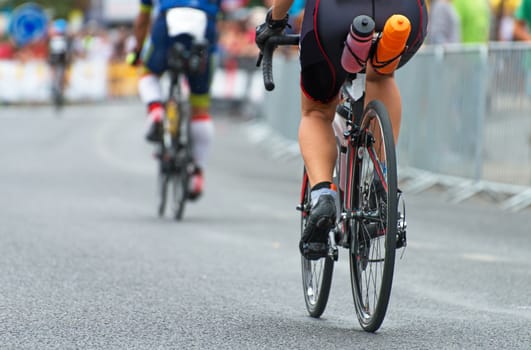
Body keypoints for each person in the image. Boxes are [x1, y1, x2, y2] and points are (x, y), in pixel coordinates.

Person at [256, 0, 428, 258]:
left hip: (332, 17)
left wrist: (274, 22)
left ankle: (323, 196)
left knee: (316, 111)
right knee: (381, 75)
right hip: (404, 13)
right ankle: (382, 182)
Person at [129, 0, 222, 199]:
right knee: (200, 107)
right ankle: (197, 173)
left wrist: (137, 51)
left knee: (148, 75)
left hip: (167, 22)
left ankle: (155, 111)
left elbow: (143, 19)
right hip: (204, 25)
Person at [47, 19, 72, 101]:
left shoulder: (64, 39)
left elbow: (66, 52)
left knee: (60, 75)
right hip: (55, 60)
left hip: (61, 60)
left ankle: (59, 90)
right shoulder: (53, 39)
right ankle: (55, 88)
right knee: (55, 75)